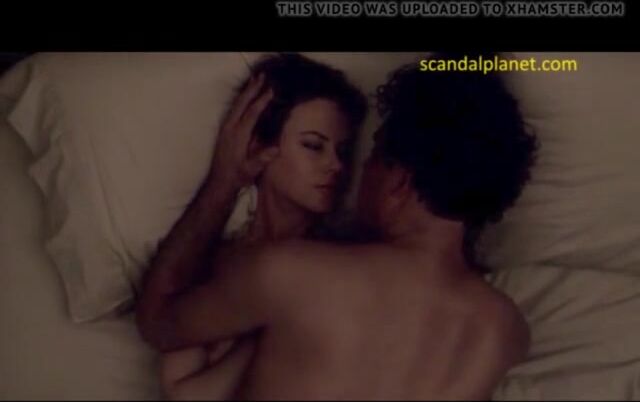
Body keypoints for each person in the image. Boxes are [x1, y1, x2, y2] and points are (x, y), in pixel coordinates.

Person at [137, 52, 538, 400]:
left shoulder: (294, 275)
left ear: (398, 180)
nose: (347, 171)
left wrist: (223, 181)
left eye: (370, 156)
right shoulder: (505, 332)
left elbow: (157, 323)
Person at [135, 53, 367, 400]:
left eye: (343, 151)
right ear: (260, 147)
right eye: (313, 146)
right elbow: (182, 392)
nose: (336, 165)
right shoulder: (214, 262)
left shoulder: (348, 260)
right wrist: (276, 322)